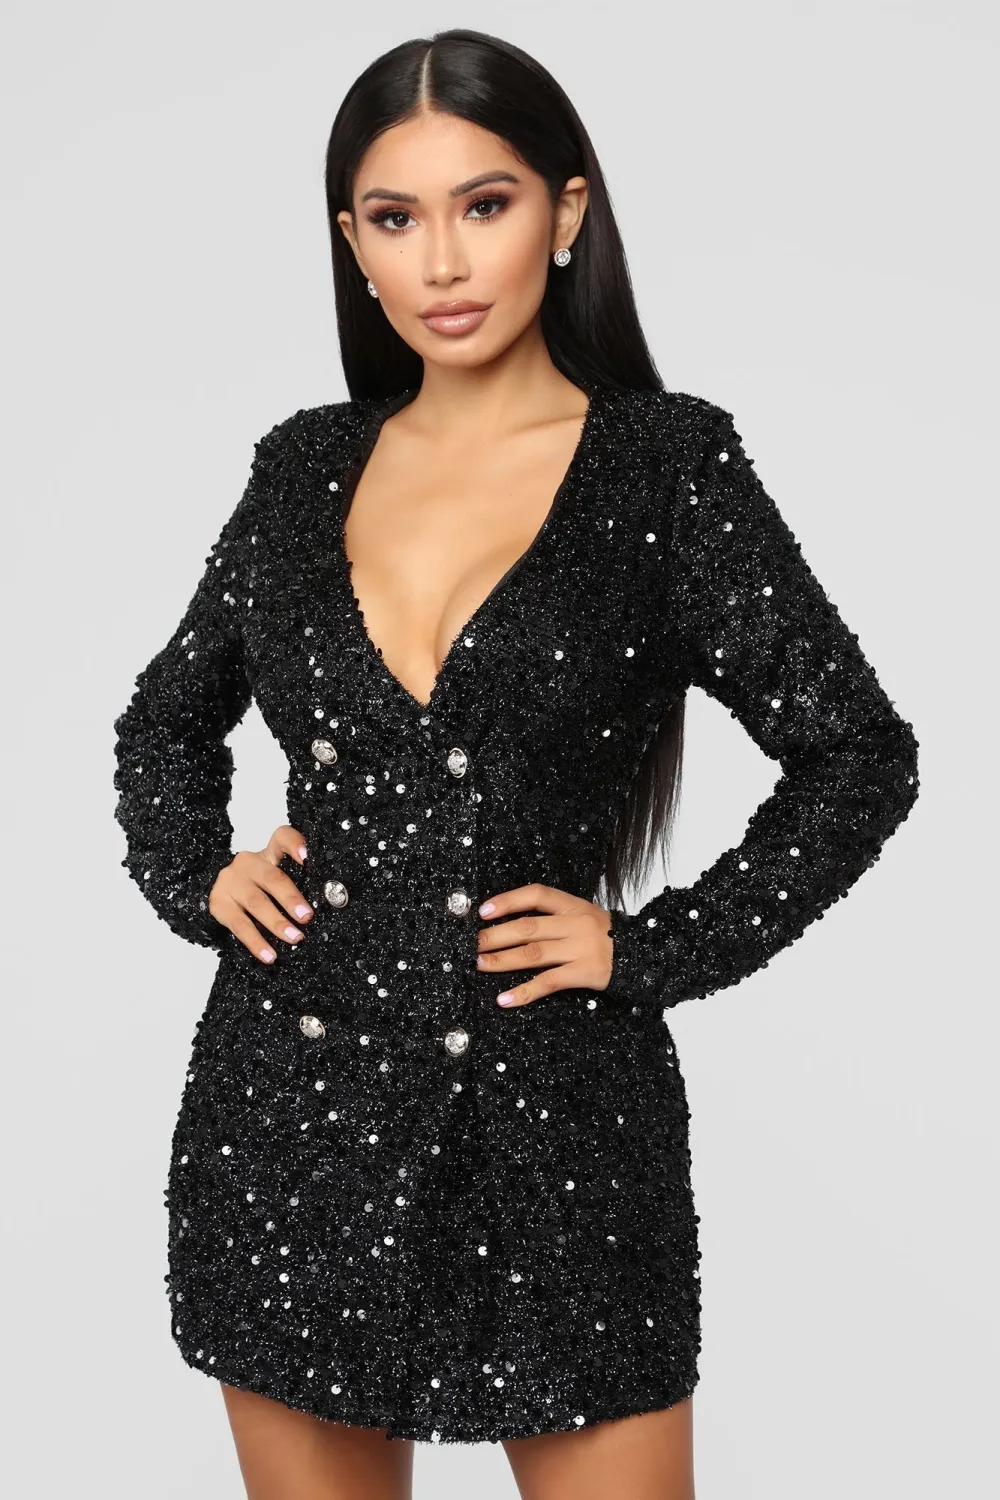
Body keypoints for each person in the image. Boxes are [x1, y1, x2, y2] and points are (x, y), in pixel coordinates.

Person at [111, 27, 920, 1500]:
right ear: (351, 243)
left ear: (566, 210)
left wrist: (655, 949)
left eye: (483, 204)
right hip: (291, 1125)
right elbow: (165, 720)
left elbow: (857, 753)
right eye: (395, 217)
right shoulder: (301, 470)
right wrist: (198, 874)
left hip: (561, 1126)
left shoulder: (666, 469)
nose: (441, 261)